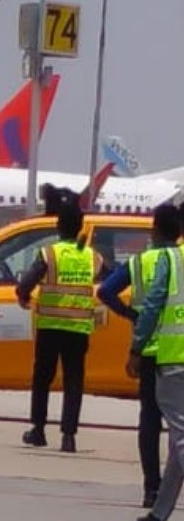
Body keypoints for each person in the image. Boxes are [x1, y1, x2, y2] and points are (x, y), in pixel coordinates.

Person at [99, 203, 182, 508]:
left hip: (152, 351)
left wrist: (130, 316)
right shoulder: (181, 259)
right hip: (179, 350)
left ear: (154, 229)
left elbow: (105, 292)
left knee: (150, 420)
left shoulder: (140, 262)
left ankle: (152, 489)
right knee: (179, 427)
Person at [15, 191, 108, 452]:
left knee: (42, 378)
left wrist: (22, 295)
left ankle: (38, 430)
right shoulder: (91, 256)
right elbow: (109, 279)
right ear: (80, 227)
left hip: (50, 326)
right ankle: (69, 436)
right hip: (78, 328)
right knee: (74, 381)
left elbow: (26, 282)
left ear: (58, 226)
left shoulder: (50, 254)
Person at [129, 220, 184, 521]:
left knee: (181, 437)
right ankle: (160, 513)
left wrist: (137, 347)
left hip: (175, 359)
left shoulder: (172, 259)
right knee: (179, 440)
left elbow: (152, 306)